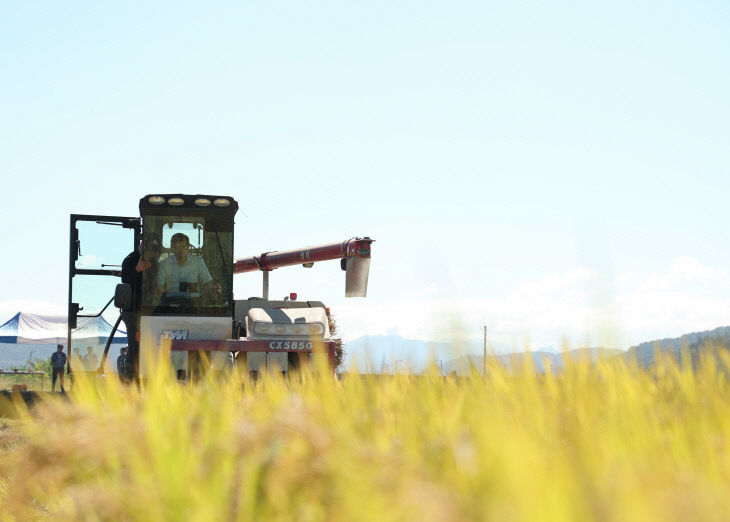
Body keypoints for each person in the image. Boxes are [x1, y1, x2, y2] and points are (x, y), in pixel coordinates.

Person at [121, 236, 160, 379]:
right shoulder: (130, 260)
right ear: (142, 245)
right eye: (150, 248)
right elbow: (125, 282)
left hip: (156, 311)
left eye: (155, 250)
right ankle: (133, 377)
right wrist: (137, 270)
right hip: (134, 312)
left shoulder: (158, 263)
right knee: (135, 349)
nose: (153, 253)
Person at [157, 233, 220, 298]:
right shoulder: (164, 264)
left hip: (194, 302)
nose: (180, 250)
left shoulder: (198, 262)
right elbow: (160, 286)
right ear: (172, 248)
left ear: (188, 247)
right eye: (176, 247)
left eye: (182, 247)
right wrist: (161, 291)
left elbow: (207, 283)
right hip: (171, 302)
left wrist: (214, 288)